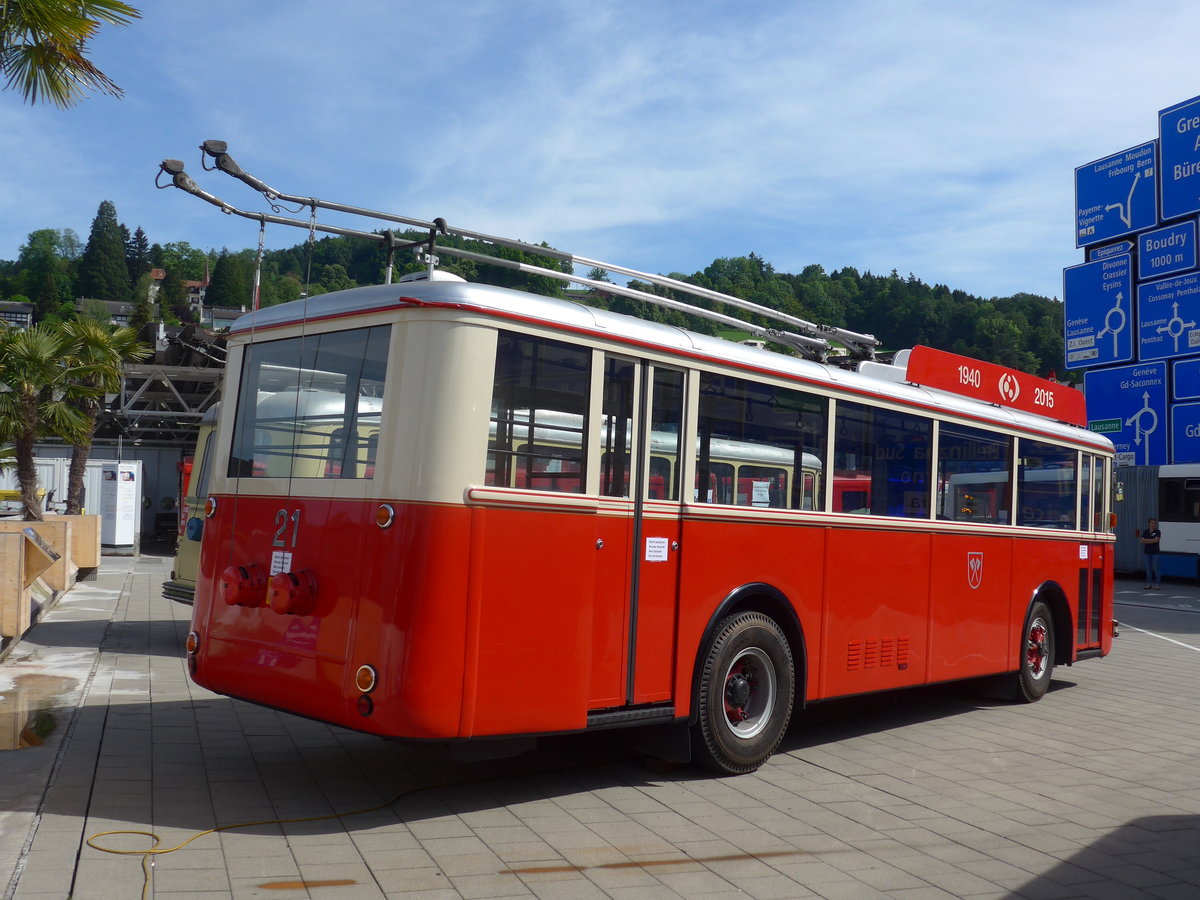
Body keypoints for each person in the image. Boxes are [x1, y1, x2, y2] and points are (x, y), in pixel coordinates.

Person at [1140, 518, 1162, 589]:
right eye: (1152, 523)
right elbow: (1142, 541)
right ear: (1149, 524)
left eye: (1154, 523)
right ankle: (1148, 584)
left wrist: (1147, 540)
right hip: (1147, 552)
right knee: (1148, 569)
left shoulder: (1158, 531)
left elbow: (1156, 540)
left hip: (1155, 552)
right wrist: (1152, 540)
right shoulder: (1145, 531)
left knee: (1156, 568)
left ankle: (1157, 584)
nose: (1153, 524)